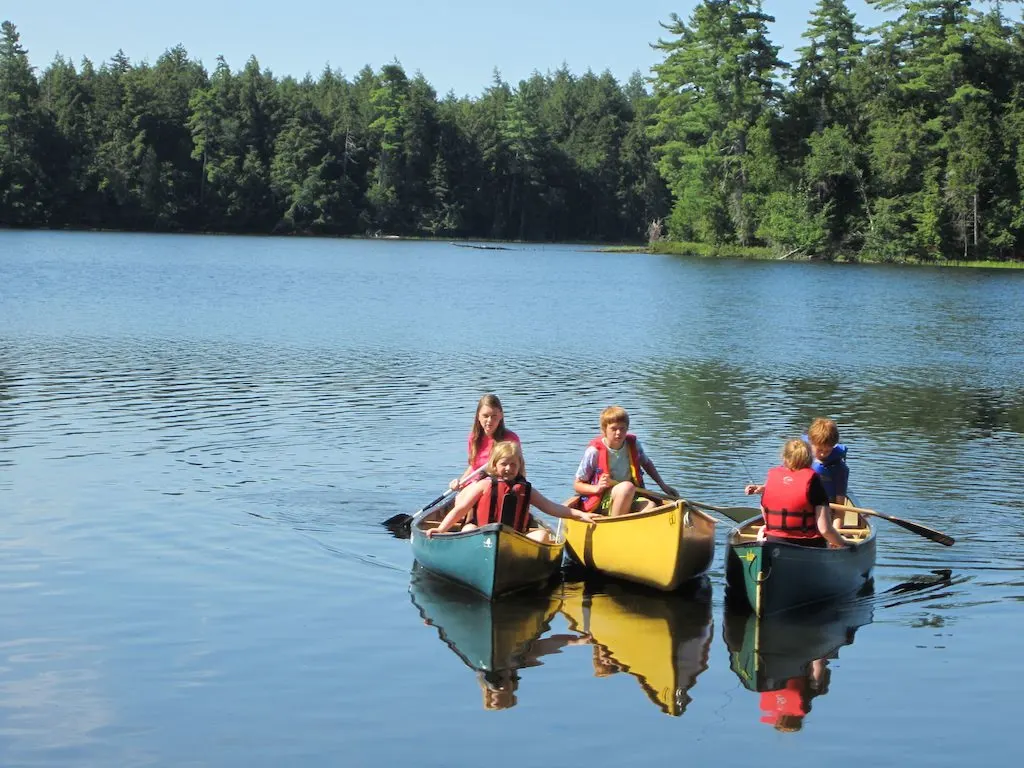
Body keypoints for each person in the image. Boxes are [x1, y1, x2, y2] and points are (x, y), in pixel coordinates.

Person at [429, 441, 598, 542]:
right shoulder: (483, 485)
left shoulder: (525, 489)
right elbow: (461, 510)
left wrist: (580, 514)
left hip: (514, 540)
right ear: (494, 465)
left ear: (519, 466)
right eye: (504, 464)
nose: (509, 468)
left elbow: (551, 508)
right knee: (467, 529)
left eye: (513, 465)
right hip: (483, 537)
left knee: (542, 536)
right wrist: (442, 529)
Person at [573, 405, 678, 517]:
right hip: (603, 499)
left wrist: (663, 486)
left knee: (650, 506)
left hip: (631, 494)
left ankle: (630, 527)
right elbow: (577, 485)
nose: (618, 433)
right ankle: (614, 525)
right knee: (626, 487)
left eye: (622, 428)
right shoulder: (594, 452)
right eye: (613, 429)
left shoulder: (633, 445)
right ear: (604, 429)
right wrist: (597, 488)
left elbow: (647, 464)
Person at [744, 439, 849, 549]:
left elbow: (765, 514)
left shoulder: (773, 478)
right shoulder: (813, 481)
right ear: (809, 459)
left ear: (784, 458)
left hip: (774, 542)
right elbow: (825, 530)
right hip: (808, 546)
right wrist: (844, 543)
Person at [450, 394, 520, 490]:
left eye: (494, 416)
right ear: (478, 416)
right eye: (485, 416)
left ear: (501, 415)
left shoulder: (510, 439)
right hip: (474, 485)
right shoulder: (474, 438)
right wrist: (460, 482)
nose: (489, 421)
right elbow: (473, 466)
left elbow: (517, 468)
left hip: (497, 486)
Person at [806, 417, 849, 505]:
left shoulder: (839, 468)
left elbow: (840, 507)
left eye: (827, 451)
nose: (822, 454)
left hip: (828, 509)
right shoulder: (802, 459)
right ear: (810, 443)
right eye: (819, 450)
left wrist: (837, 518)